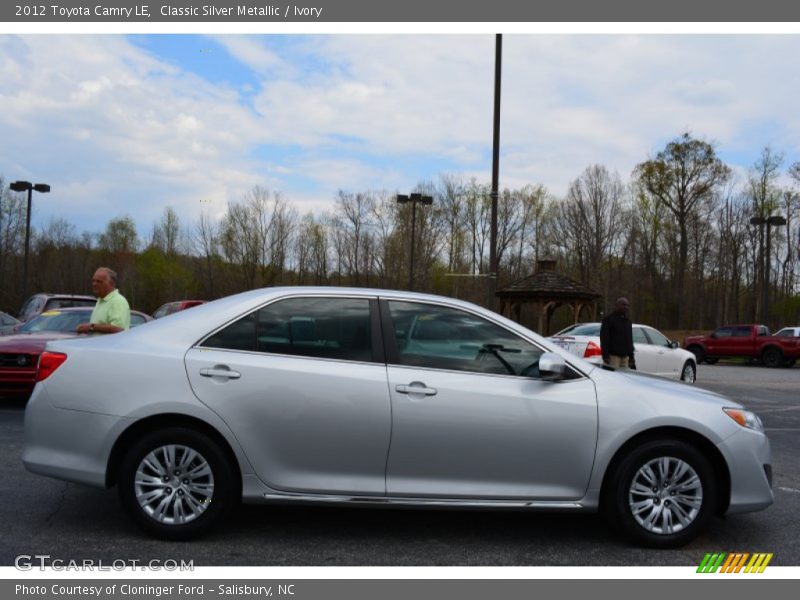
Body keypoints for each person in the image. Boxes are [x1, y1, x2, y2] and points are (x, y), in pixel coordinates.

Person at [76, 267, 131, 334]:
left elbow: (118, 329)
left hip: (111, 345)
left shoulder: (118, 301)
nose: (94, 284)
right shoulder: (101, 301)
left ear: (111, 283)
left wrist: (91, 327)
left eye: (99, 281)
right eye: (93, 281)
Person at [600, 297, 636, 370]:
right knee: (613, 378)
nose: (625, 307)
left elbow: (629, 340)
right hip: (613, 357)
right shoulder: (608, 319)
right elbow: (604, 338)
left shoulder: (628, 321)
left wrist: (631, 357)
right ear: (617, 305)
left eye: (627, 305)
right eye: (623, 305)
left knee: (624, 379)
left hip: (625, 357)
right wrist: (605, 355)